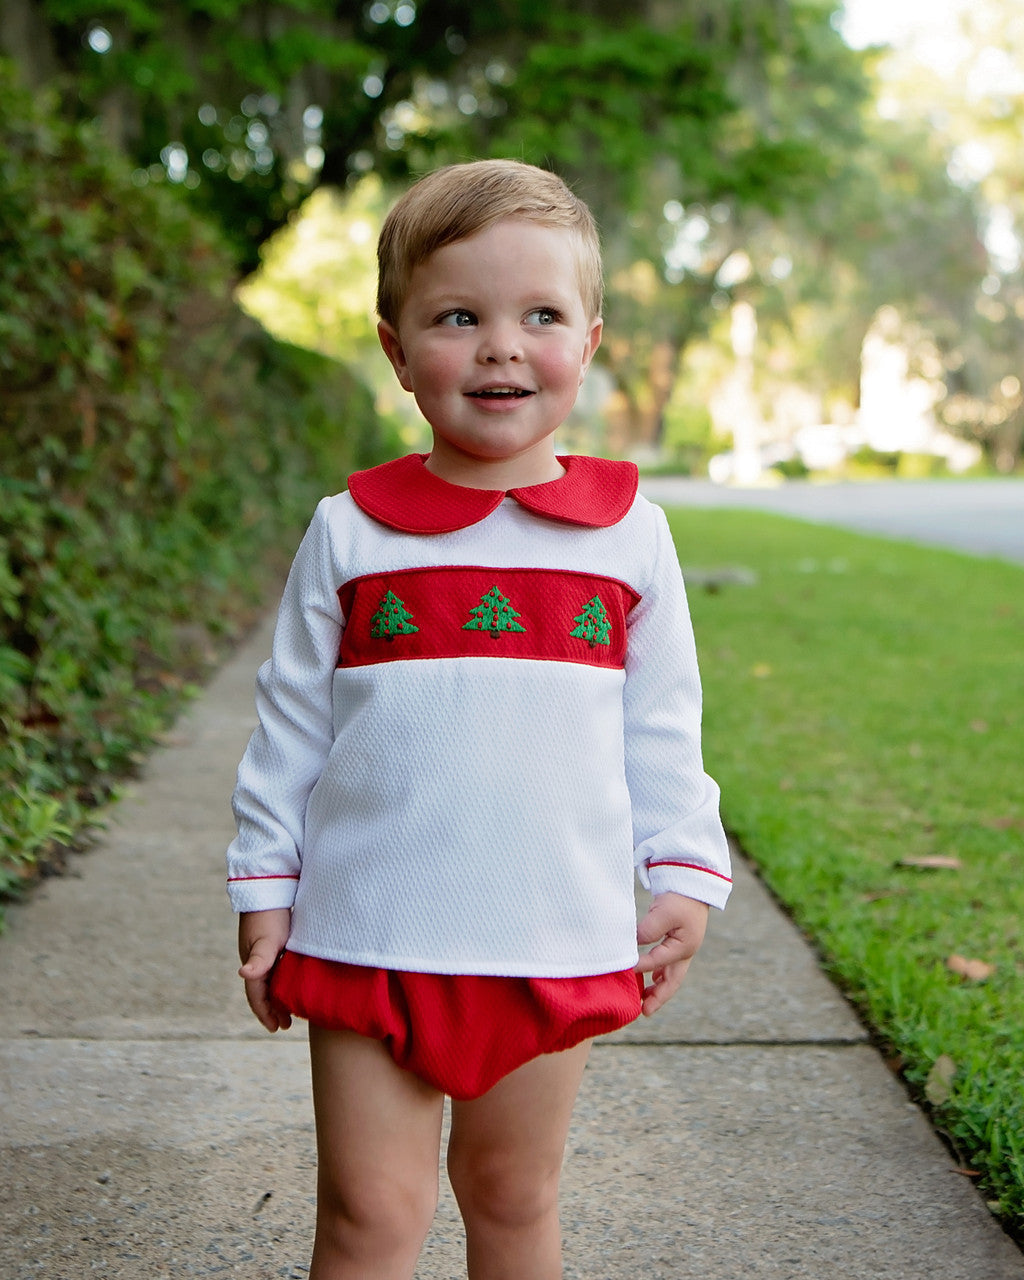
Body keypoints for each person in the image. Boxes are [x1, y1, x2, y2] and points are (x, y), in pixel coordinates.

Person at [226, 158, 732, 1280]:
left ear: (589, 341)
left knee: (513, 1198)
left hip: (547, 933)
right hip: (368, 932)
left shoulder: (627, 534)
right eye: (458, 316)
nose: (501, 345)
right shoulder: (351, 531)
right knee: (366, 1215)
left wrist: (686, 870)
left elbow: (662, 726)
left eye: (539, 314)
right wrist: (264, 887)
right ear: (398, 349)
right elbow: (290, 725)